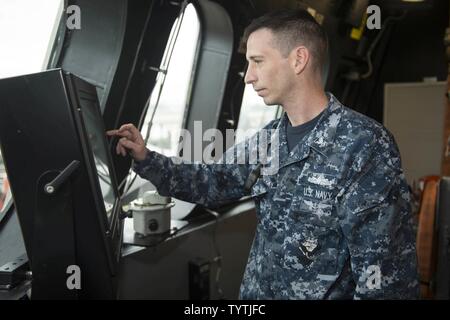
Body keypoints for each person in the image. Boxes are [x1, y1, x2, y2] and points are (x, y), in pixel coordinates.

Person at [107, 9, 419, 299]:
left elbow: (386, 276)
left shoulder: (365, 145)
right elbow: (212, 182)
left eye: (257, 61)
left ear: (298, 60)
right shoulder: (268, 140)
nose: (248, 76)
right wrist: (146, 158)